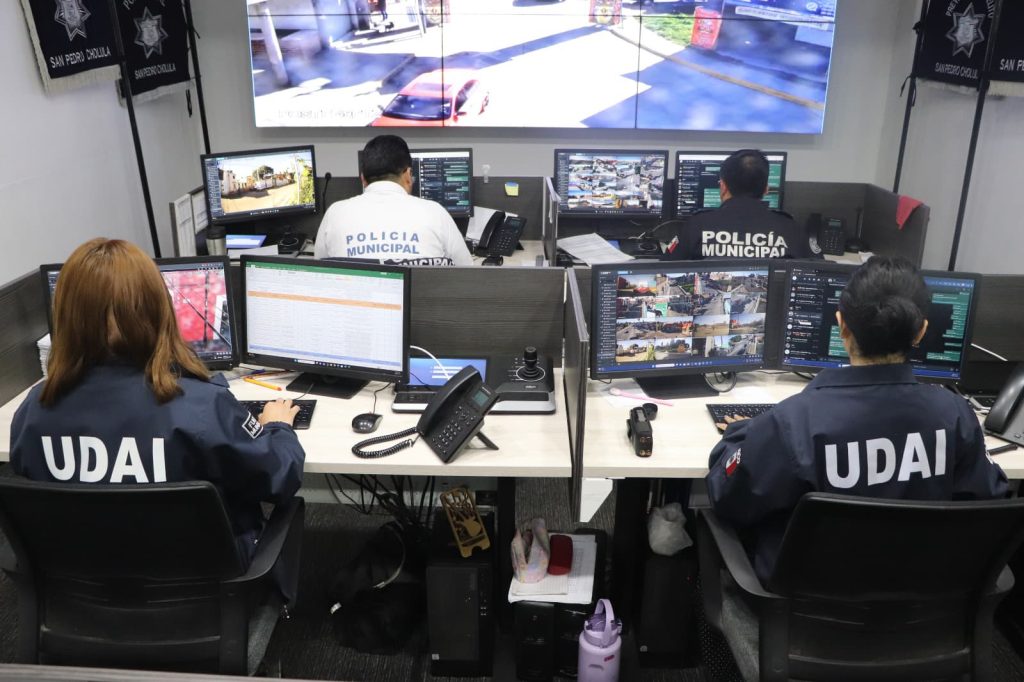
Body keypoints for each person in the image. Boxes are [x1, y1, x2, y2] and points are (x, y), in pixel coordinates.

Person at [9, 238, 306, 597]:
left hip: (81, 599)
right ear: (156, 309)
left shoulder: (33, 411)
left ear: (65, 318)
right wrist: (278, 427)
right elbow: (280, 477)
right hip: (203, 599)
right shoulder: (199, 407)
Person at [706, 256, 1008, 583]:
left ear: (842, 326)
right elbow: (989, 498)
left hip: (805, 605)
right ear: (921, 331)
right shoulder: (956, 415)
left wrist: (745, 433)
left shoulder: (792, 423)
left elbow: (727, 496)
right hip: (921, 603)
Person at [314, 134, 473, 266]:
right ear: (408, 175)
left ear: (363, 179)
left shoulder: (335, 213)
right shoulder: (436, 212)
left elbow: (318, 272)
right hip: (421, 296)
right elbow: (467, 272)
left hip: (355, 295)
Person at [664, 149, 818, 260]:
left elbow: (665, 267)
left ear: (723, 187)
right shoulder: (791, 229)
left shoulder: (696, 225)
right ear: (766, 189)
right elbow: (820, 271)